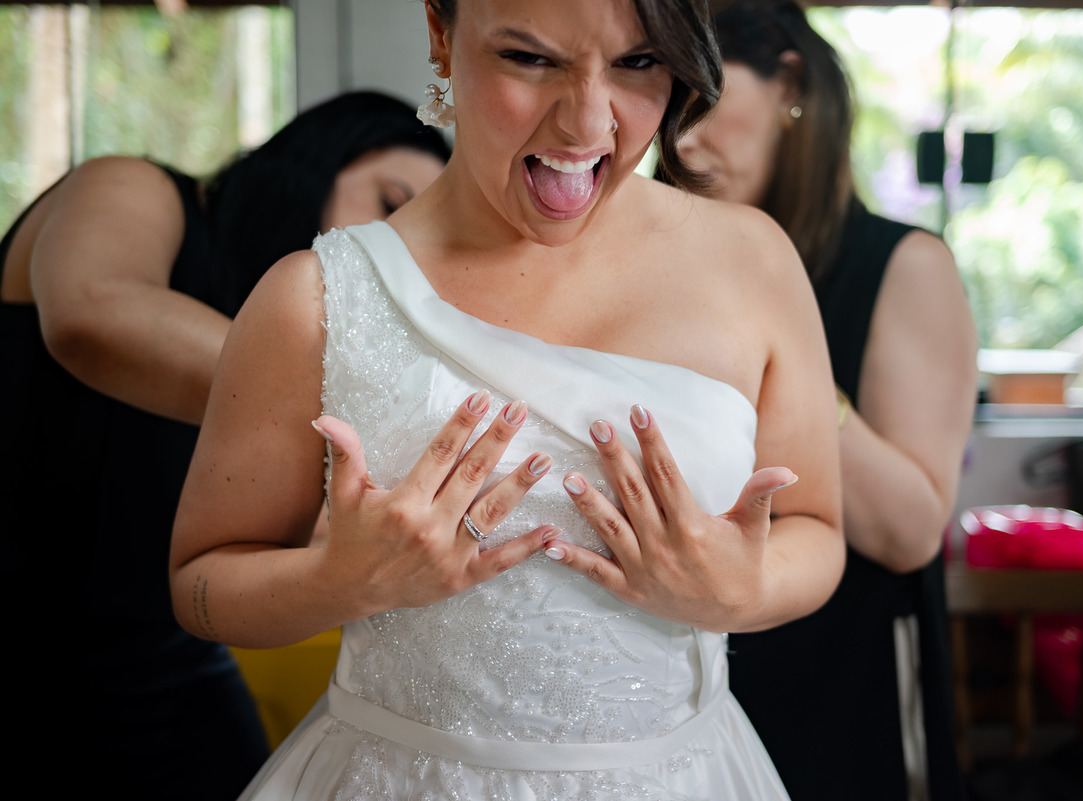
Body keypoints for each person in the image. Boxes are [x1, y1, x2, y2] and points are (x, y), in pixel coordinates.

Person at [167, 0, 846, 798]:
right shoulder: (315, 299)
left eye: (637, 63)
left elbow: (816, 530)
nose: (587, 123)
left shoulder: (752, 262)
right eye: (531, 59)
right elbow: (200, 587)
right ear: (441, 32)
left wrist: (743, 588)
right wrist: (341, 579)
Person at [0, 90, 450, 800]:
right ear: (317, 159)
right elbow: (90, 312)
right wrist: (311, 397)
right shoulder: (134, 186)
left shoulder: (310, 348)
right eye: (387, 205)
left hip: (165, 661)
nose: (385, 251)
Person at [677, 1, 978, 798]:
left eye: (702, 104)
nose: (681, 143)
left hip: (848, 679)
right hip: (696, 672)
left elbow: (912, 529)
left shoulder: (902, 264)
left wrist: (787, 367)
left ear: (789, 86)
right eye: (667, 111)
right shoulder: (670, 266)